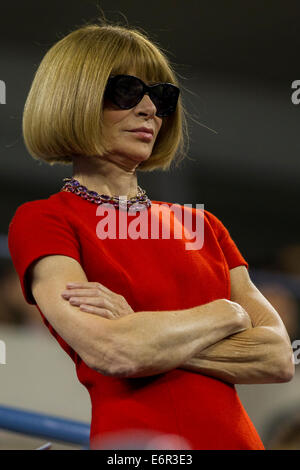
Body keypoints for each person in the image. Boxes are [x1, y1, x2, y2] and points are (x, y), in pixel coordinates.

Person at [8, 20, 294, 450]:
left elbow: (276, 357)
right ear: (74, 98)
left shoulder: (203, 224)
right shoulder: (43, 220)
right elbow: (113, 353)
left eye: (161, 97)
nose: (149, 110)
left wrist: (139, 331)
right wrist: (225, 315)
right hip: (140, 449)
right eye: (126, 91)